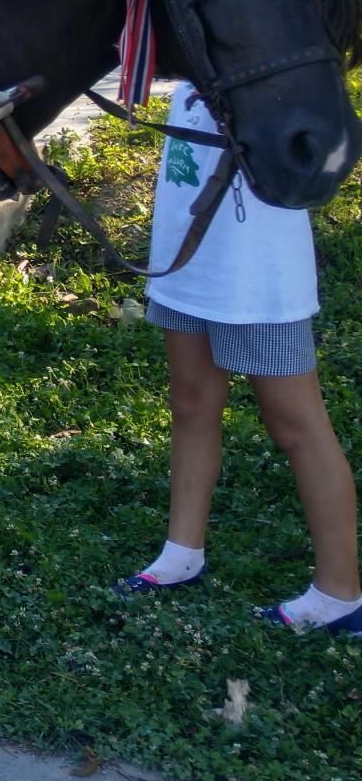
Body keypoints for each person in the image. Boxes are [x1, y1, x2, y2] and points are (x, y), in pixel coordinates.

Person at [116, 83, 360, 636]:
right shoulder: (191, 61)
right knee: (191, 404)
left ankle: (340, 593)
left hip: (258, 273)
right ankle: (182, 554)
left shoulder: (272, 59)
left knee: (296, 423)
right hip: (187, 256)